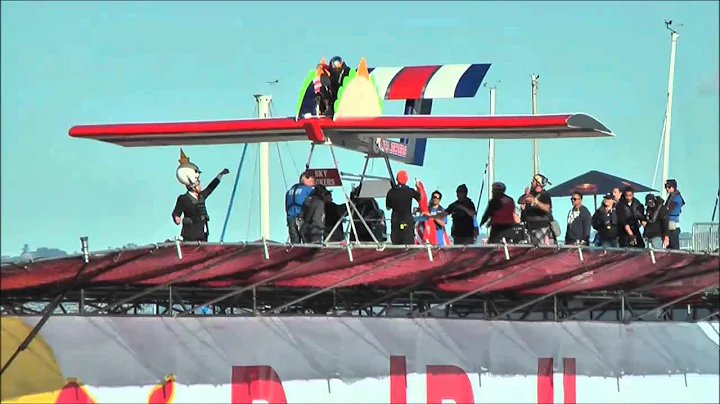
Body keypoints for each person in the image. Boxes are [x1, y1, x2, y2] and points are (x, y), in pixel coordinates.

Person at [171, 149, 229, 242]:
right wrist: (176, 218)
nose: (200, 186)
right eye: (198, 185)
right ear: (193, 187)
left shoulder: (201, 197)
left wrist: (220, 175)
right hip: (190, 235)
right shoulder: (184, 198)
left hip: (203, 233)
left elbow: (211, 188)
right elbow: (176, 212)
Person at [385, 170, 421, 245]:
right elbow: (420, 198)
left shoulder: (391, 192)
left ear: (397, 179)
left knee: (396, 246)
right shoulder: (410, 191)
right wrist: (418, 187)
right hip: (407, 221)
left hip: (395, 222)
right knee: (408, 245)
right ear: (406, 179)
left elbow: (388, 207)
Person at [518, 174, 555, 245]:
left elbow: (547, 208)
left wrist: (535, 201)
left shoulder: (545, 195)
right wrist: (526, 195)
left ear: (538, 183)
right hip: (529, 227)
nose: (531, 182)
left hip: (541, 227)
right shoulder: (530, 193)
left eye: (533, 181)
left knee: (541, 250)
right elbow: (520, 201)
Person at [285, 171, 315, 244]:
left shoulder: (289, 191)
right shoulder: (308, 190)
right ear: (305, 179)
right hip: (303, 219)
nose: (313, 184)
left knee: (295, 242)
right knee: (308, 242)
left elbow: (286, 207)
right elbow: (316, 204)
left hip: (291, 219)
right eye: (311, 181)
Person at [663, 179, 685, 249]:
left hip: (673, 223)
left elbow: (669, 209)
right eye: (666, 187)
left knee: (673, 244)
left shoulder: (676, 197)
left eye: (669, 187)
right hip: (671, 222)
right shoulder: (672, 196)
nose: (667, 189)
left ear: (674, 187)